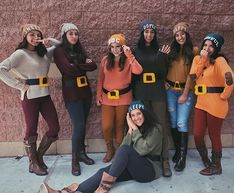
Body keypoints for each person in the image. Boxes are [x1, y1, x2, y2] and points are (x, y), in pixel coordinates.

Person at [39, 100, 163, 193]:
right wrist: (130, 131)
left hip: (149, 171)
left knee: (125, 151)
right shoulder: (134, 129)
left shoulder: (155, 129)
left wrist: (134, 129)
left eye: (139, 114)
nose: (136, 118)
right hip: (135, 168)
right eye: (133, 115)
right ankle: (66, 192)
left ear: (144, 113)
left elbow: (142, 150)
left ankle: (103, 190)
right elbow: (122, 151)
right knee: (102, 172)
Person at [0, 24, 60, 176]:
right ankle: (33, 163)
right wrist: (18, 85)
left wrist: (49, 40)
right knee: (31, 130)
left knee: (54, 128)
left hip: (45, 95)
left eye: (37, 34)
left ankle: (38, 157)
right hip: (30, 97)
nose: (34, 38)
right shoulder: (20, 53)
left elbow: (62, 46)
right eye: (31, 35)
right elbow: (1, 68)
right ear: (25, 37)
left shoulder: (45, 52)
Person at [53, 23, 97, 176]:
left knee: (83, 124)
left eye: (76, 34)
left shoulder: (80, 50)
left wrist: (77, 65)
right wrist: (83, 64)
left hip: (85, 92)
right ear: (65, 35)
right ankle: (74, 160)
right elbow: (68, 69)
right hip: (72, 94)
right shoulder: (59, 51)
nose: (74, 36)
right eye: (70, 33)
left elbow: (94, 66)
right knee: (78, 125)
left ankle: (82, 153)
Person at [189, 33, 234, 175]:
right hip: (201, 103)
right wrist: (203, 59)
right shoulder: (197, 59)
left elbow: (230, 77)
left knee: (214, 135)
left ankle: (216, 166)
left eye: (211, 46)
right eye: (205, 45)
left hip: (216, 104)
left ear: (216, 48)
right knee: (197, 134)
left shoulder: (219, 60)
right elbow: (193, 76)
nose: (207, 48)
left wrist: (225, 95)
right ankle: (206, 159)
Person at [131, 19, 172, 177]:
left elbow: (163, 72)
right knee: (143, 124)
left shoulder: (160, 50)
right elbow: (133, 74)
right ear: (142, 33)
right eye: (146, 32)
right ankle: (146, 156)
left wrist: (162, 57)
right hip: (141, 90)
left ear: (155, 34)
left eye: (152, 32)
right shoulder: (135, 51)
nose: (149, 34)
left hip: (157, 90)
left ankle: (165, 159)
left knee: (161, 125)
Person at [96, 34, 143, 163]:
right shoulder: (106, 60)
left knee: (120, 126)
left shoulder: (128, 60)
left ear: (123, 47)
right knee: (107, 126)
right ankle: (109, 149)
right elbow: (101, 78)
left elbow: (139, 71)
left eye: (118, 47)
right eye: (112, 47)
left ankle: (120, 151)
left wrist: (130, 56)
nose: (115, 49)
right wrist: (98, 94)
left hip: (124, 97)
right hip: (107, 98)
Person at [165, 22, 198, 171]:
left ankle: (182, 158)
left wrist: (185, 93)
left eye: (182, 34)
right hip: (170, 90)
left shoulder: (194, 51)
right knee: (172, 121)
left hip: (186, 91)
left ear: (187, 34)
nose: (180, 37)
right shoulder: (171, 51)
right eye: (177, 35)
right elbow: (162, 67)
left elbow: (192, 75)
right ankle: (178, 151)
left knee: (181, 123)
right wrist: (163, 82)